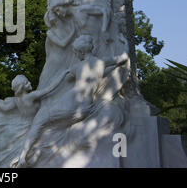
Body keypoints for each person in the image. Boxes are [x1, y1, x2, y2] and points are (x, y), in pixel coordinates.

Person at [11, 35, 129, 168]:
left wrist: (50, 87)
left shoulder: (77, 67)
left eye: (76, 52)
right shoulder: (101, 63)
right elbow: (121, 59)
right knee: (49, 126)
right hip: (85, 107)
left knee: (40, 119)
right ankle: (35, 153)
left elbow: (58, 82)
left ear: (82, 52)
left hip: (73, 101)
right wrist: (124, 43)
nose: (75, 54)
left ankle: (22, 157)